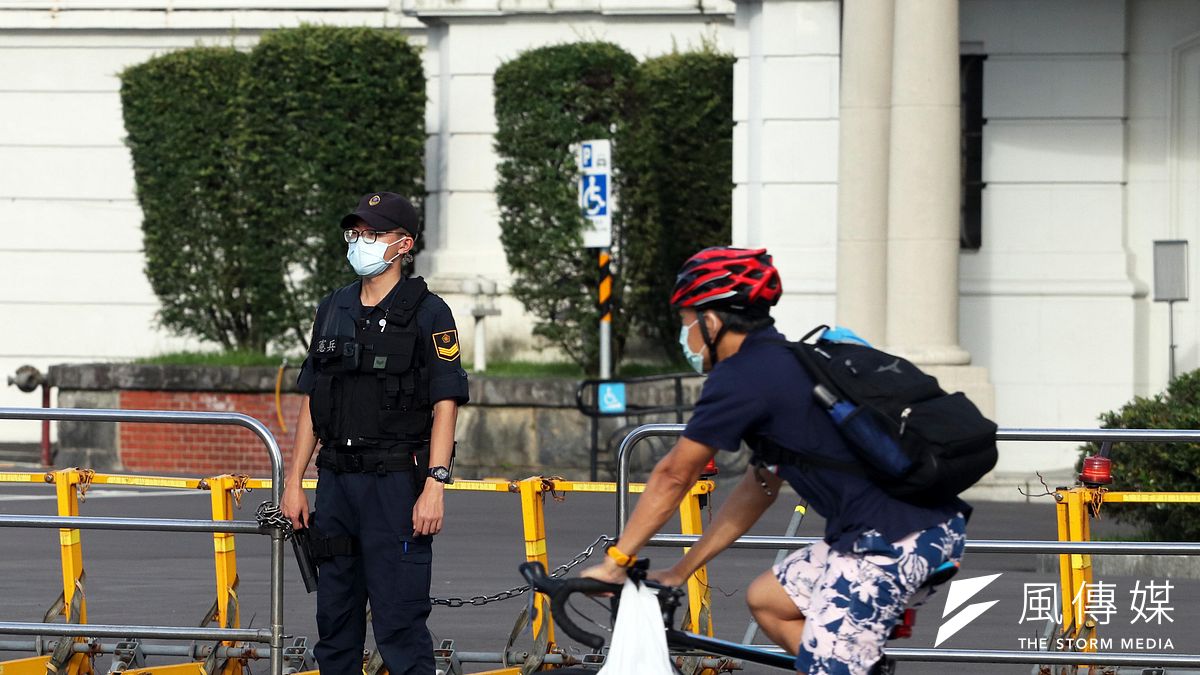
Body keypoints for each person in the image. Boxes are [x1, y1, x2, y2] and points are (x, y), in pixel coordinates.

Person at [581, 247, 969, 675]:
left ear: (710, 322)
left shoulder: (743, 376)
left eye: (685, 321)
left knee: (832, 668)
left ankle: (841, 665)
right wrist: (680, 569)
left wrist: (616, 562)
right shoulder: (782, 364)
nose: (685, 335)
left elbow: (675, 473)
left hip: (890, 543)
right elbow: (758, 489)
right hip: (912, 531)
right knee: (769, 601)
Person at [281, 191, 469, 674]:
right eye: (356, 232)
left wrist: (435, 485)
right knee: (335, 625)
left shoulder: (430, 313)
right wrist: (293, 482)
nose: (361, 241)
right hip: (337, 485)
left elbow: (445, 404)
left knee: (400, 626)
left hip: (395, 487)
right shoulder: (334, 307)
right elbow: (312, 401)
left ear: (403, 244)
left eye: (374, 233)